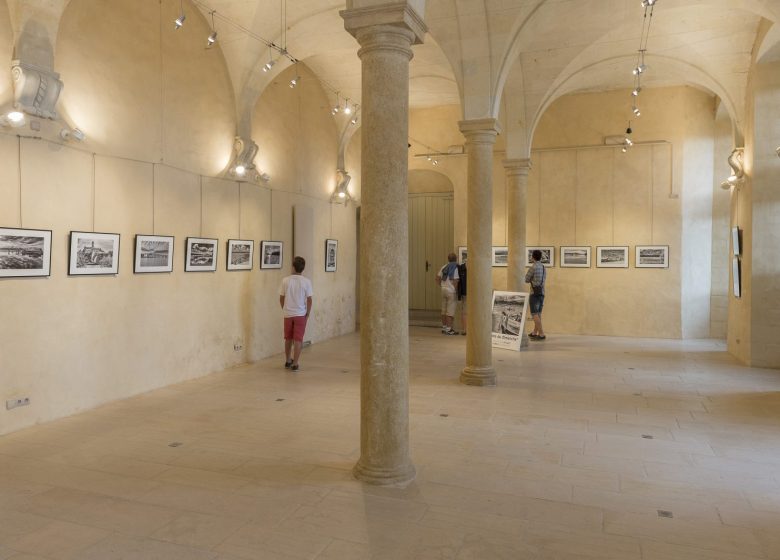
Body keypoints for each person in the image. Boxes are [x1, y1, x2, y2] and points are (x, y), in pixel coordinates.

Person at [279, 256, 313, 371]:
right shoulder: (307, 282)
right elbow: (309, 300)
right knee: (298, 339)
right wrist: (307, 313)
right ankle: (295, 363)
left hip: (288, 314)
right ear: (302, 268)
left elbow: (281, 298)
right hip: (300, 314)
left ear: (293, 267)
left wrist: (285, 308)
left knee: (288, 338)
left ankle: (288, 360)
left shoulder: (285, 280)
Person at [525, 249, 546, 340]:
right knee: (538, 313)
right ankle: (535, 332)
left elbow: (526, 279)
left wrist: (531, 280)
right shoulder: (543, 267)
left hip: (534, 293)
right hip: (542, 292)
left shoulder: (533, 267)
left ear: (533, 257)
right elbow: (544, 279)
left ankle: (541, 334)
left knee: (534, 313)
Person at [436, 253, 459, 335]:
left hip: (443, 289)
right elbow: (456, 281)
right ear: (456, 258)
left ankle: (444, 327)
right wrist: (456, 290)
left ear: (448, 259)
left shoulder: (444, 267)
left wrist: (441, 285)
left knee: (444, 310)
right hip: (451, 291)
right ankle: (449, 329)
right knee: (450, 311)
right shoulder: (456, 267)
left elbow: (437, 278)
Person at [457, 258, 467, 335]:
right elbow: (459, 282)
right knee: (464, 312)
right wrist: (459, 295)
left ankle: (468, 329)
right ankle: (464, 330)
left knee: (466, 312)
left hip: (474, 294)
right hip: (465, 293)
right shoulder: (461, 268)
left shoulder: (461, 268)